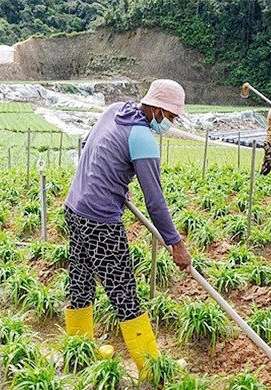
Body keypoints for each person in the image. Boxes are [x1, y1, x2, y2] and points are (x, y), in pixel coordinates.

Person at [63, 79, 192, 376]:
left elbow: (88, 145)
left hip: (75, 208)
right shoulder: (143, 137)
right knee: (124, 292)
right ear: (157, 109)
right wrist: (176, 243)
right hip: (100, 221)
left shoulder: (115, 110)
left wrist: (114, 181)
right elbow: (155, 199)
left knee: (81, 281)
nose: (170, 123)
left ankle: (79, 351)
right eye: (170, 116)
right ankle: (150, 368)